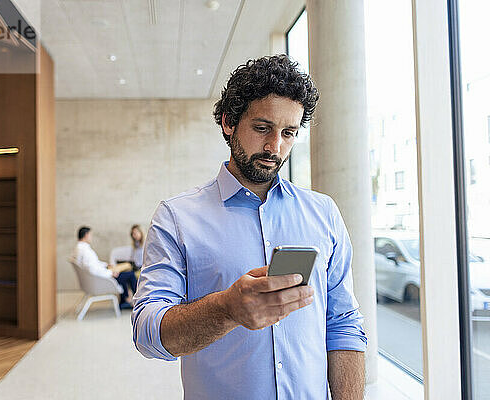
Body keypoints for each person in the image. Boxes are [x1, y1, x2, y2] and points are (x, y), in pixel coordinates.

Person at [132, 55, 367, 399]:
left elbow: (344, 324)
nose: (275, 147)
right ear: (229, 122)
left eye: (288, 133)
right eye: (262, 128)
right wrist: (227, 309)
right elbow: (147, 334)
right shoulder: (177, 217)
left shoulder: (324, 213)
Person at [74, 226, 137, 309]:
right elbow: (92, 269)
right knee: (130, 274)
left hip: (98, 276)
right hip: (100, 279)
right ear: (86, 235)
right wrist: (111, 273)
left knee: (124, 274)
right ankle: (137, 301)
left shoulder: (79, 248)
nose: (91, 237)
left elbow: (94, 263)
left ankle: (124, 301)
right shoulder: (84, 250)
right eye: (90, 235)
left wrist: (106, 265)